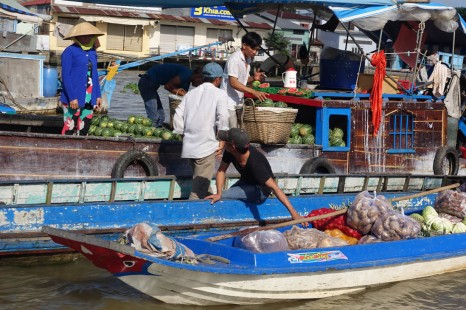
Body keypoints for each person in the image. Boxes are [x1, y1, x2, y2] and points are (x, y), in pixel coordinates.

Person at [206, 128, 308, 225]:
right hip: (246, 182)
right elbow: (221, 170)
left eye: (226, 141)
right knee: (223, 195)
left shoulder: (256, 164)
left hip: (260, 192)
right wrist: (218, 193)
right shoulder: (230, 151)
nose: (223, 143)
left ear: (233, 146)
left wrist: (294, 214)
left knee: (225, 195)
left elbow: (275, 188)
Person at [173, 62, 229, 199]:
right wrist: (222, 139)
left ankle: (212, 212)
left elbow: (177, 115)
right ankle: (190, 216)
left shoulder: (190, 94)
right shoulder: (220, 94)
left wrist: (181, 133)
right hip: (206, 147)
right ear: (218, 79)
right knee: (197, 192)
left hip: (190, 147)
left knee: (203, 183)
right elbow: (223, 117)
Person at [60, 21, 104, 136]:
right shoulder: (69, 51)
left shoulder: (92, 52)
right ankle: (66, 150)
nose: (85, 38)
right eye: (82, 36)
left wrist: (98, 95)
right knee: (69, 128)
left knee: (84, 128)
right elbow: (65, 76)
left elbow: (94, 75)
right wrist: (72, 97)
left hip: (89, 97)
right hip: (74, 96)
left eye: (88, 35)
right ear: (76, 37)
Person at [221, 32, 268, 128]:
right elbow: (233, 83)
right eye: (253, 48)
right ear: (244, 45)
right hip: (228, 102)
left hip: (239, 101)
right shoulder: (235, 59)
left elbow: (243, 82)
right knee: (232, 134)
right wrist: (253, 91)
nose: (255, 52)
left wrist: (254, 78)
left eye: (257, 49)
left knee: (239, 132)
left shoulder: (248, 60)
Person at [138, 64, 203, 128]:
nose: (200, 83)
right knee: (154, 118)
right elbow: (168, 86)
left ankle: (157, 127)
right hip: (147, 80)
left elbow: (182, 97)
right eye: (201, 80)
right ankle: (152, 128)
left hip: (153, 83)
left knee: (161, 117)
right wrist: (186, 95)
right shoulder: (187, 74)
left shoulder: (187, 81)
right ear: (197, 75)